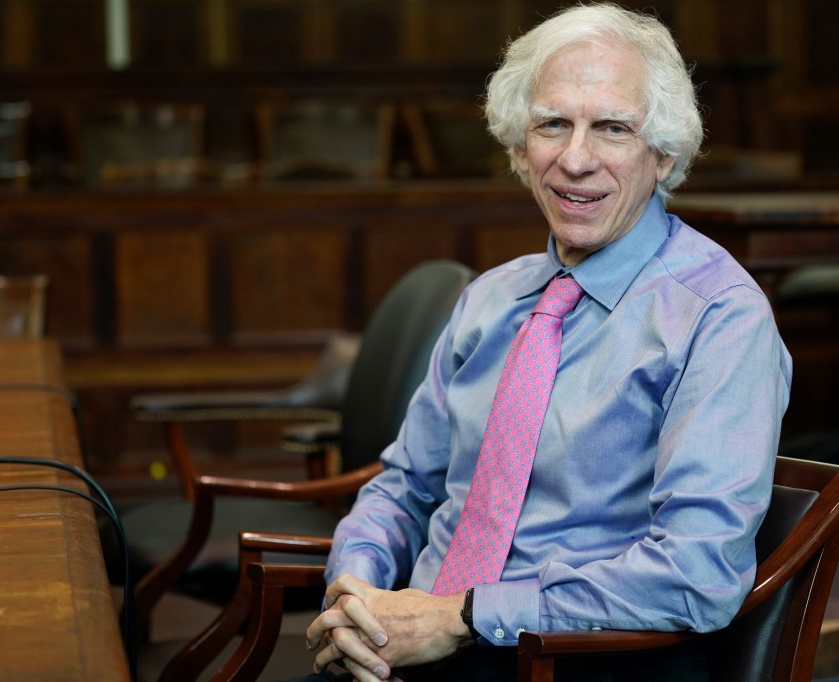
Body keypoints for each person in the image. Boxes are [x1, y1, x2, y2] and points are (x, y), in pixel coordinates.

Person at [298, 3, 792, 681]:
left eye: (612, 128)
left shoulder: (721, 318)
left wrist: (464, 616)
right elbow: (404, 487)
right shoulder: (490, 298)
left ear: (665, 152)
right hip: (412, 645)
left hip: (582, 659)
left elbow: (695, 572)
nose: (575, 159)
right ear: (517, 149)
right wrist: (356, 594)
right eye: (552, 124)